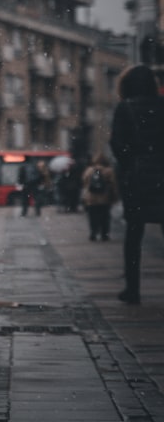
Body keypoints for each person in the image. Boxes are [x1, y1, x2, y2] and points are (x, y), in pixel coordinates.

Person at [109, 64, 164, 305]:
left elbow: (117, 145)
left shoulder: (125, 108)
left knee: (134, 234)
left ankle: (133, 289)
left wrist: (131, 163)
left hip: (138, 179)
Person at [81, 154, 117, 242]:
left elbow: (84, 181)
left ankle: (93, 233)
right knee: (105, 216)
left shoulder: (89, 170)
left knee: (92, 217)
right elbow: (113, 184)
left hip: (91, 198)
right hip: (105, 198)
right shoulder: (109, 171)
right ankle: (104, 234)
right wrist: (114, 196)